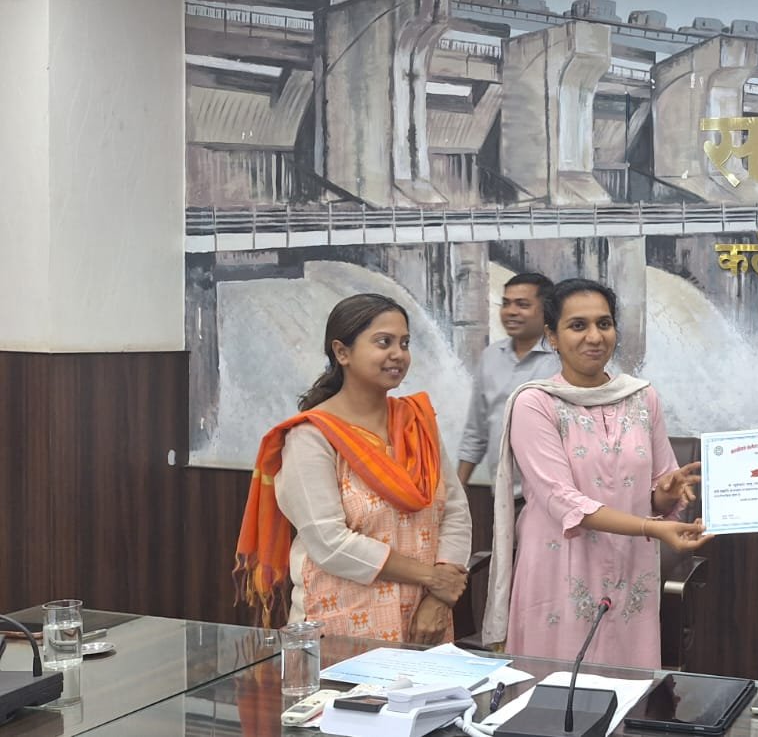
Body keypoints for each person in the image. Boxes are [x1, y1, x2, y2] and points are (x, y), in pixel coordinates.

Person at [479, 278, 711, 667]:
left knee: (626, 686)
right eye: (578, 325)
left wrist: (666, 495)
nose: (594, 337)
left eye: (604, 324)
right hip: (561, 568)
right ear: (552, 336)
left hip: (630, 568)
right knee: (558, 689)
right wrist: (651, 527)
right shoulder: (535, 403)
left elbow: (657, 490)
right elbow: (562, 500)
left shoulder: (642, 397)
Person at [234, 293, 472, 644]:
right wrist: (431, 577)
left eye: (404, 343)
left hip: (426, 622)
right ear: (342, 352)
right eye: (383, 342)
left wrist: (439, 597)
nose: (398, 354)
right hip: (344, 626)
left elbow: (454, 509)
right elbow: (329, 542)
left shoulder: (417, 424)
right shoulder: (311, 437)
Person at [458, 273, 561, 488]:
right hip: (502, 493)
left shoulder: (563, 358)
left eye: (522, 305)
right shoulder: (491, 357)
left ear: (547, 310)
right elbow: (477, 431)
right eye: (506, 304)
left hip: (553, 492)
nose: (511, 312)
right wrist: (459, 486)